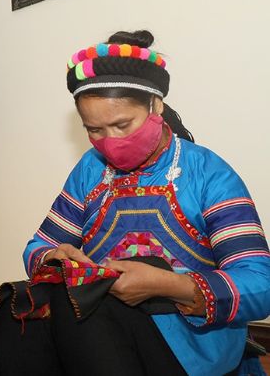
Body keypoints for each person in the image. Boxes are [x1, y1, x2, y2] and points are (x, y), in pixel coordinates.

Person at [22, 30, 270, 375]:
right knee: (46, 302)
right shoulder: (89, 171)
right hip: (106, 330)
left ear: (156, 106)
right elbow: (39, 245)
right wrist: (53, 257)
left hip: (194, 345)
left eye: (123, 124)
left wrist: (172, 285)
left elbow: (260, 283)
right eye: (94, 130)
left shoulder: (209, 174)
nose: (110, 142)